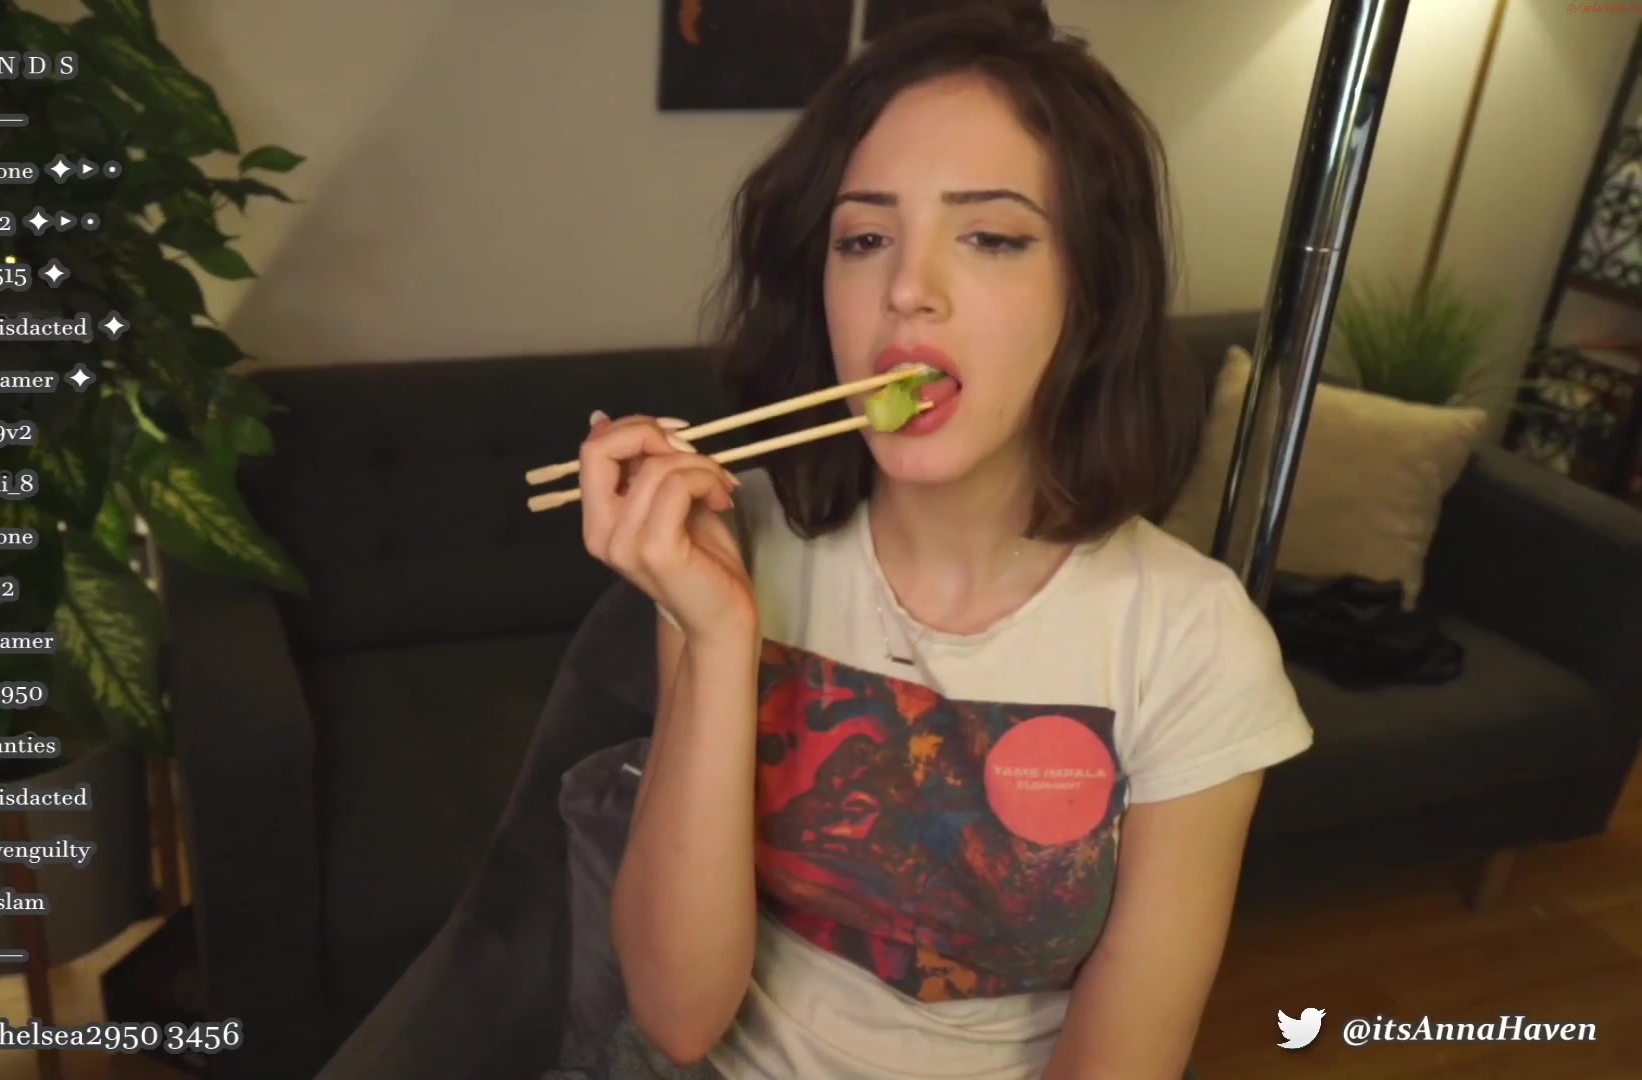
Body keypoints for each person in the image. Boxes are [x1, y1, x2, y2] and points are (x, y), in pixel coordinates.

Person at [550, 4, 1314, 1078]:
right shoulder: (737, 540)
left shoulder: (1192, 641)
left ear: (1093, 295)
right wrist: (716, 635)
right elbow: (678, 1017)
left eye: (992, 237)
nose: (907, 288)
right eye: (864, 239)